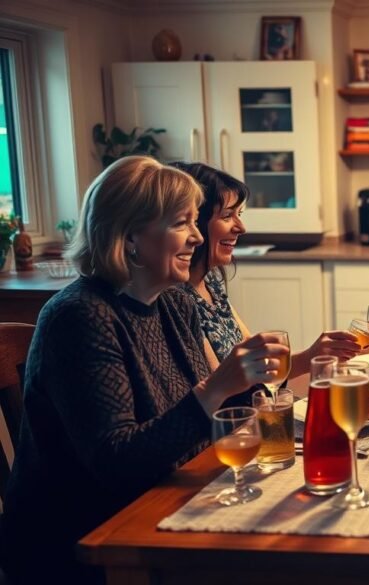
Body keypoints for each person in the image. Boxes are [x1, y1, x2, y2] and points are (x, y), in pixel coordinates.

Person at [0, 157, 288, 584]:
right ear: (130, 235)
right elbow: (118, 464)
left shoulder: (172, 301)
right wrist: (217, 386)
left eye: (195, 222)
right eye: (180, 223)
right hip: (89, 544)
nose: (195, 237)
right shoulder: (80, 317)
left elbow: (199, 426)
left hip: (163, 502)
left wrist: (252, 391)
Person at [169, 162, 360, 373]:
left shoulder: (210, 282)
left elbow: (258, 368)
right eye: (226, 216)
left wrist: (313, 355)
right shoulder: (177, 298)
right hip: (237, 407)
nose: (241, 228)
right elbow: (219, 387)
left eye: (239, 215)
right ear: (196, 221)